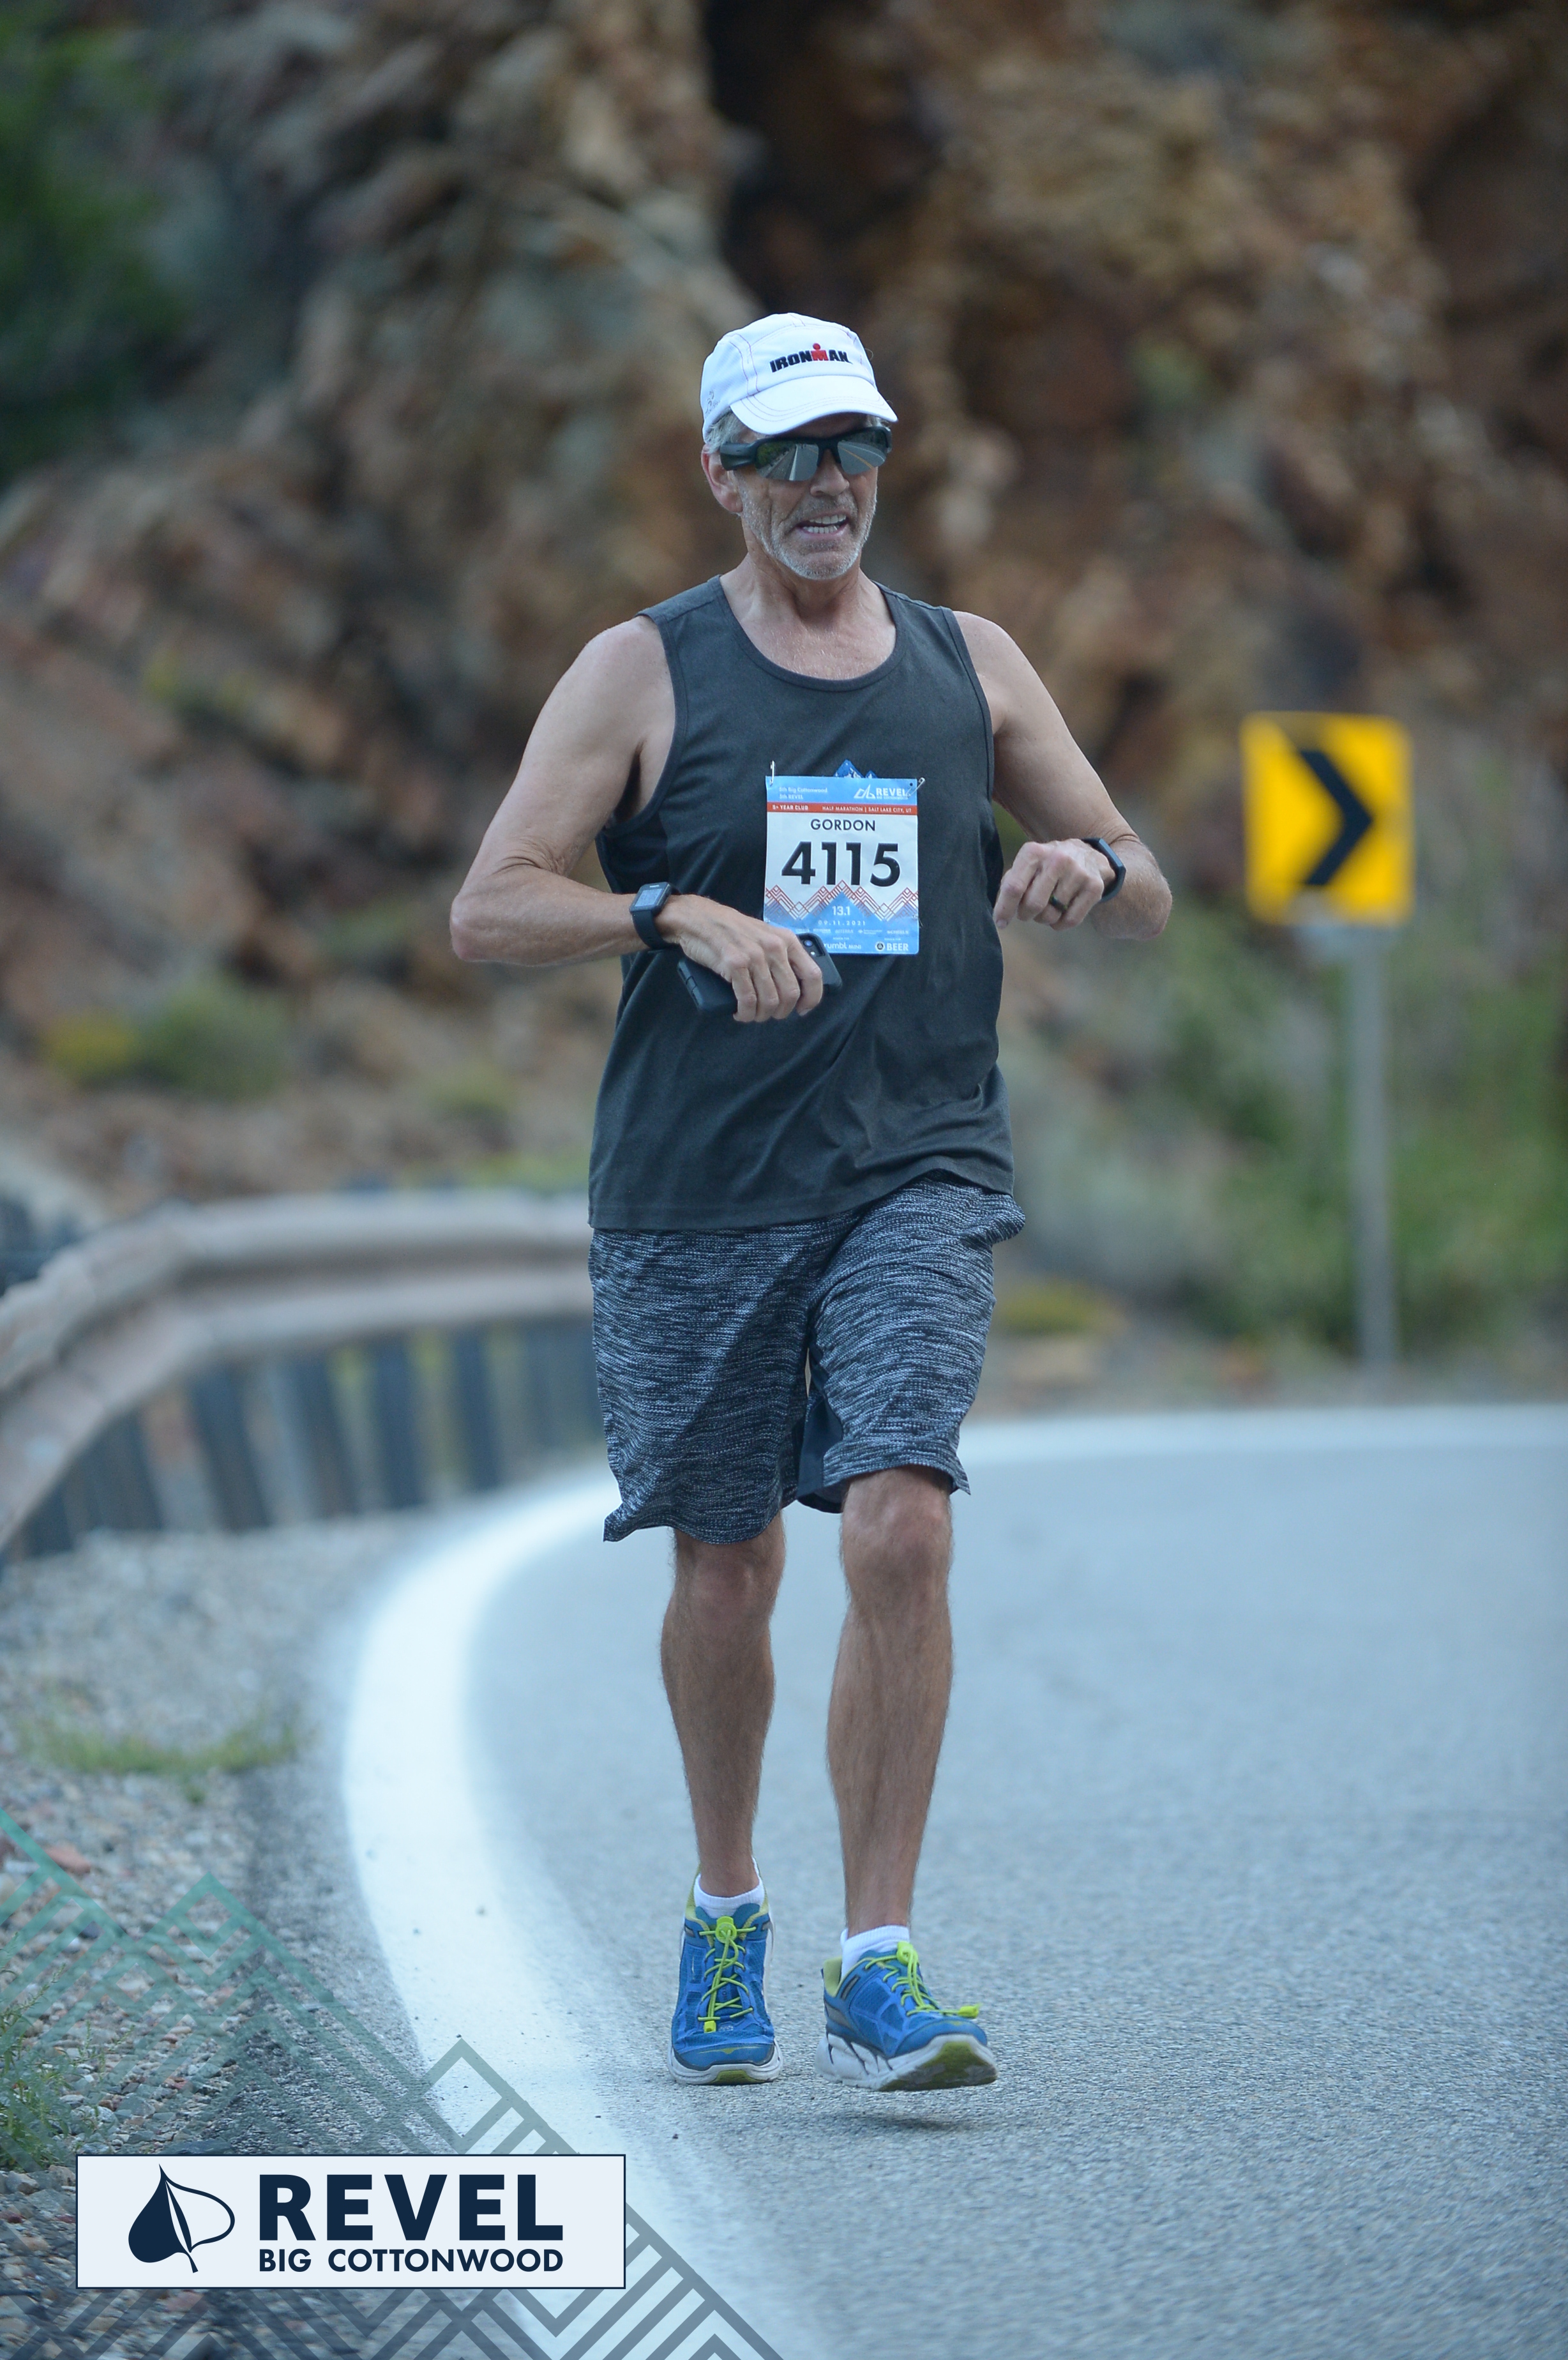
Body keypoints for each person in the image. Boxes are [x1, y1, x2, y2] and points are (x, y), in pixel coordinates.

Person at [451, 310, 1171, 2094]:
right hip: (697, 1188)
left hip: (915, 1162)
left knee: (903, 1523)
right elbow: (490, 905)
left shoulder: (969, 664)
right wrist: (666, 914)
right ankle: (726, 1913)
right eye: (787, 453)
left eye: (852, 446)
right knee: (727, 1565)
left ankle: (878, 1960)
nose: (827, 481)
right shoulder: (641, 671)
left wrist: (1084, 865)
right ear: (725, 475)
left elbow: (1142, 873)